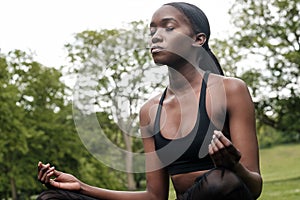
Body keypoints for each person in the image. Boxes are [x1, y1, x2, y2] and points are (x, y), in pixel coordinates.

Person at [37, 2, 263, 200]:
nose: (155, 36)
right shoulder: (150, 111)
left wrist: (234, 167)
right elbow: (155, 196)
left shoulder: (231, 89)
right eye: (152, 30)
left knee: (220, 181)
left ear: (198, 39)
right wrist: (82, 187)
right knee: (52, 197)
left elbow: (254, 187)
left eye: (169, 27)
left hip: (224, 192)